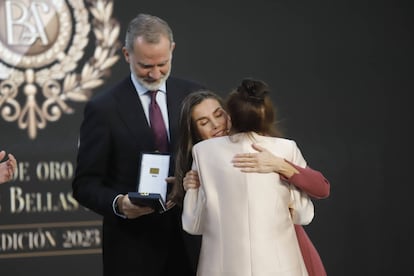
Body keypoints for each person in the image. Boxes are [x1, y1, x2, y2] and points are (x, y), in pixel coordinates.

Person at [71, 13, 205, 276]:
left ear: (173, 50)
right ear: (126, 54)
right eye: (145, 66)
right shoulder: (103, 109)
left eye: (163, 64)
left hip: (192, 243)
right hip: (132, 251)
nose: (155, 73)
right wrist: (119, 204)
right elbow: (84, 185)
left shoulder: (195, 97)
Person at [173, 90, 330, 275]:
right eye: (204, 122)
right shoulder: (200, 161)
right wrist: (189, 188)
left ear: (231, 114)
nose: (216, 125)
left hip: (286, 248)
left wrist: (281, 165)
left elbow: (321, 187)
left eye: (219, 115)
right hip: (229, 258)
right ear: (194, 131)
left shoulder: (272, 148)